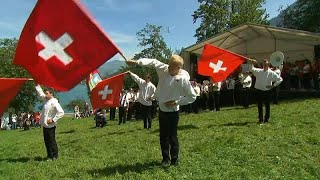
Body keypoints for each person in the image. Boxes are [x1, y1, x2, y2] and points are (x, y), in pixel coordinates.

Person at [126, 55, 197, 167]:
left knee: (172, 136)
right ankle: (165, 159)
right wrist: (137, 62)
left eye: (173, 68)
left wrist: (177, 102)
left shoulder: (183, 79)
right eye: (169, 66)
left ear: (179, 68)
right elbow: (153, 61)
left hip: (173, 112)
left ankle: (174, 159)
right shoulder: (164, 69)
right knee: (163, 136)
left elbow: (192, 97)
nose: (169, 69)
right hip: (163, 110)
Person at [35, 85, 64, 161]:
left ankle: (55, 155)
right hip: (45, 125)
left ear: (51, 94)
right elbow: (40, 93)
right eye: (45, 93)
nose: (45, 94)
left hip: (51, 126)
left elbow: (61, 112)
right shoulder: (45, 99)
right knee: (46, 141)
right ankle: (49, 155)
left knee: (51, 141)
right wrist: (37, 85)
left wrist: (53, 120)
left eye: (47, 93)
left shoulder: (54, 102)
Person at [249, 59, 283, 124]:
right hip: (259, 90)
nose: (264, 65)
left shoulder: (272, 73)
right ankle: (260, 119)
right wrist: (252, 63)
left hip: (267, 91)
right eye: (264, 64)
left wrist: (273, 86)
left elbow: (280, 79)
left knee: (267, 105)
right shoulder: (259, 71)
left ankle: (266, 119)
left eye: (266, 64)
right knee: (259, 105)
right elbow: (251, 69)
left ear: (268, 65)